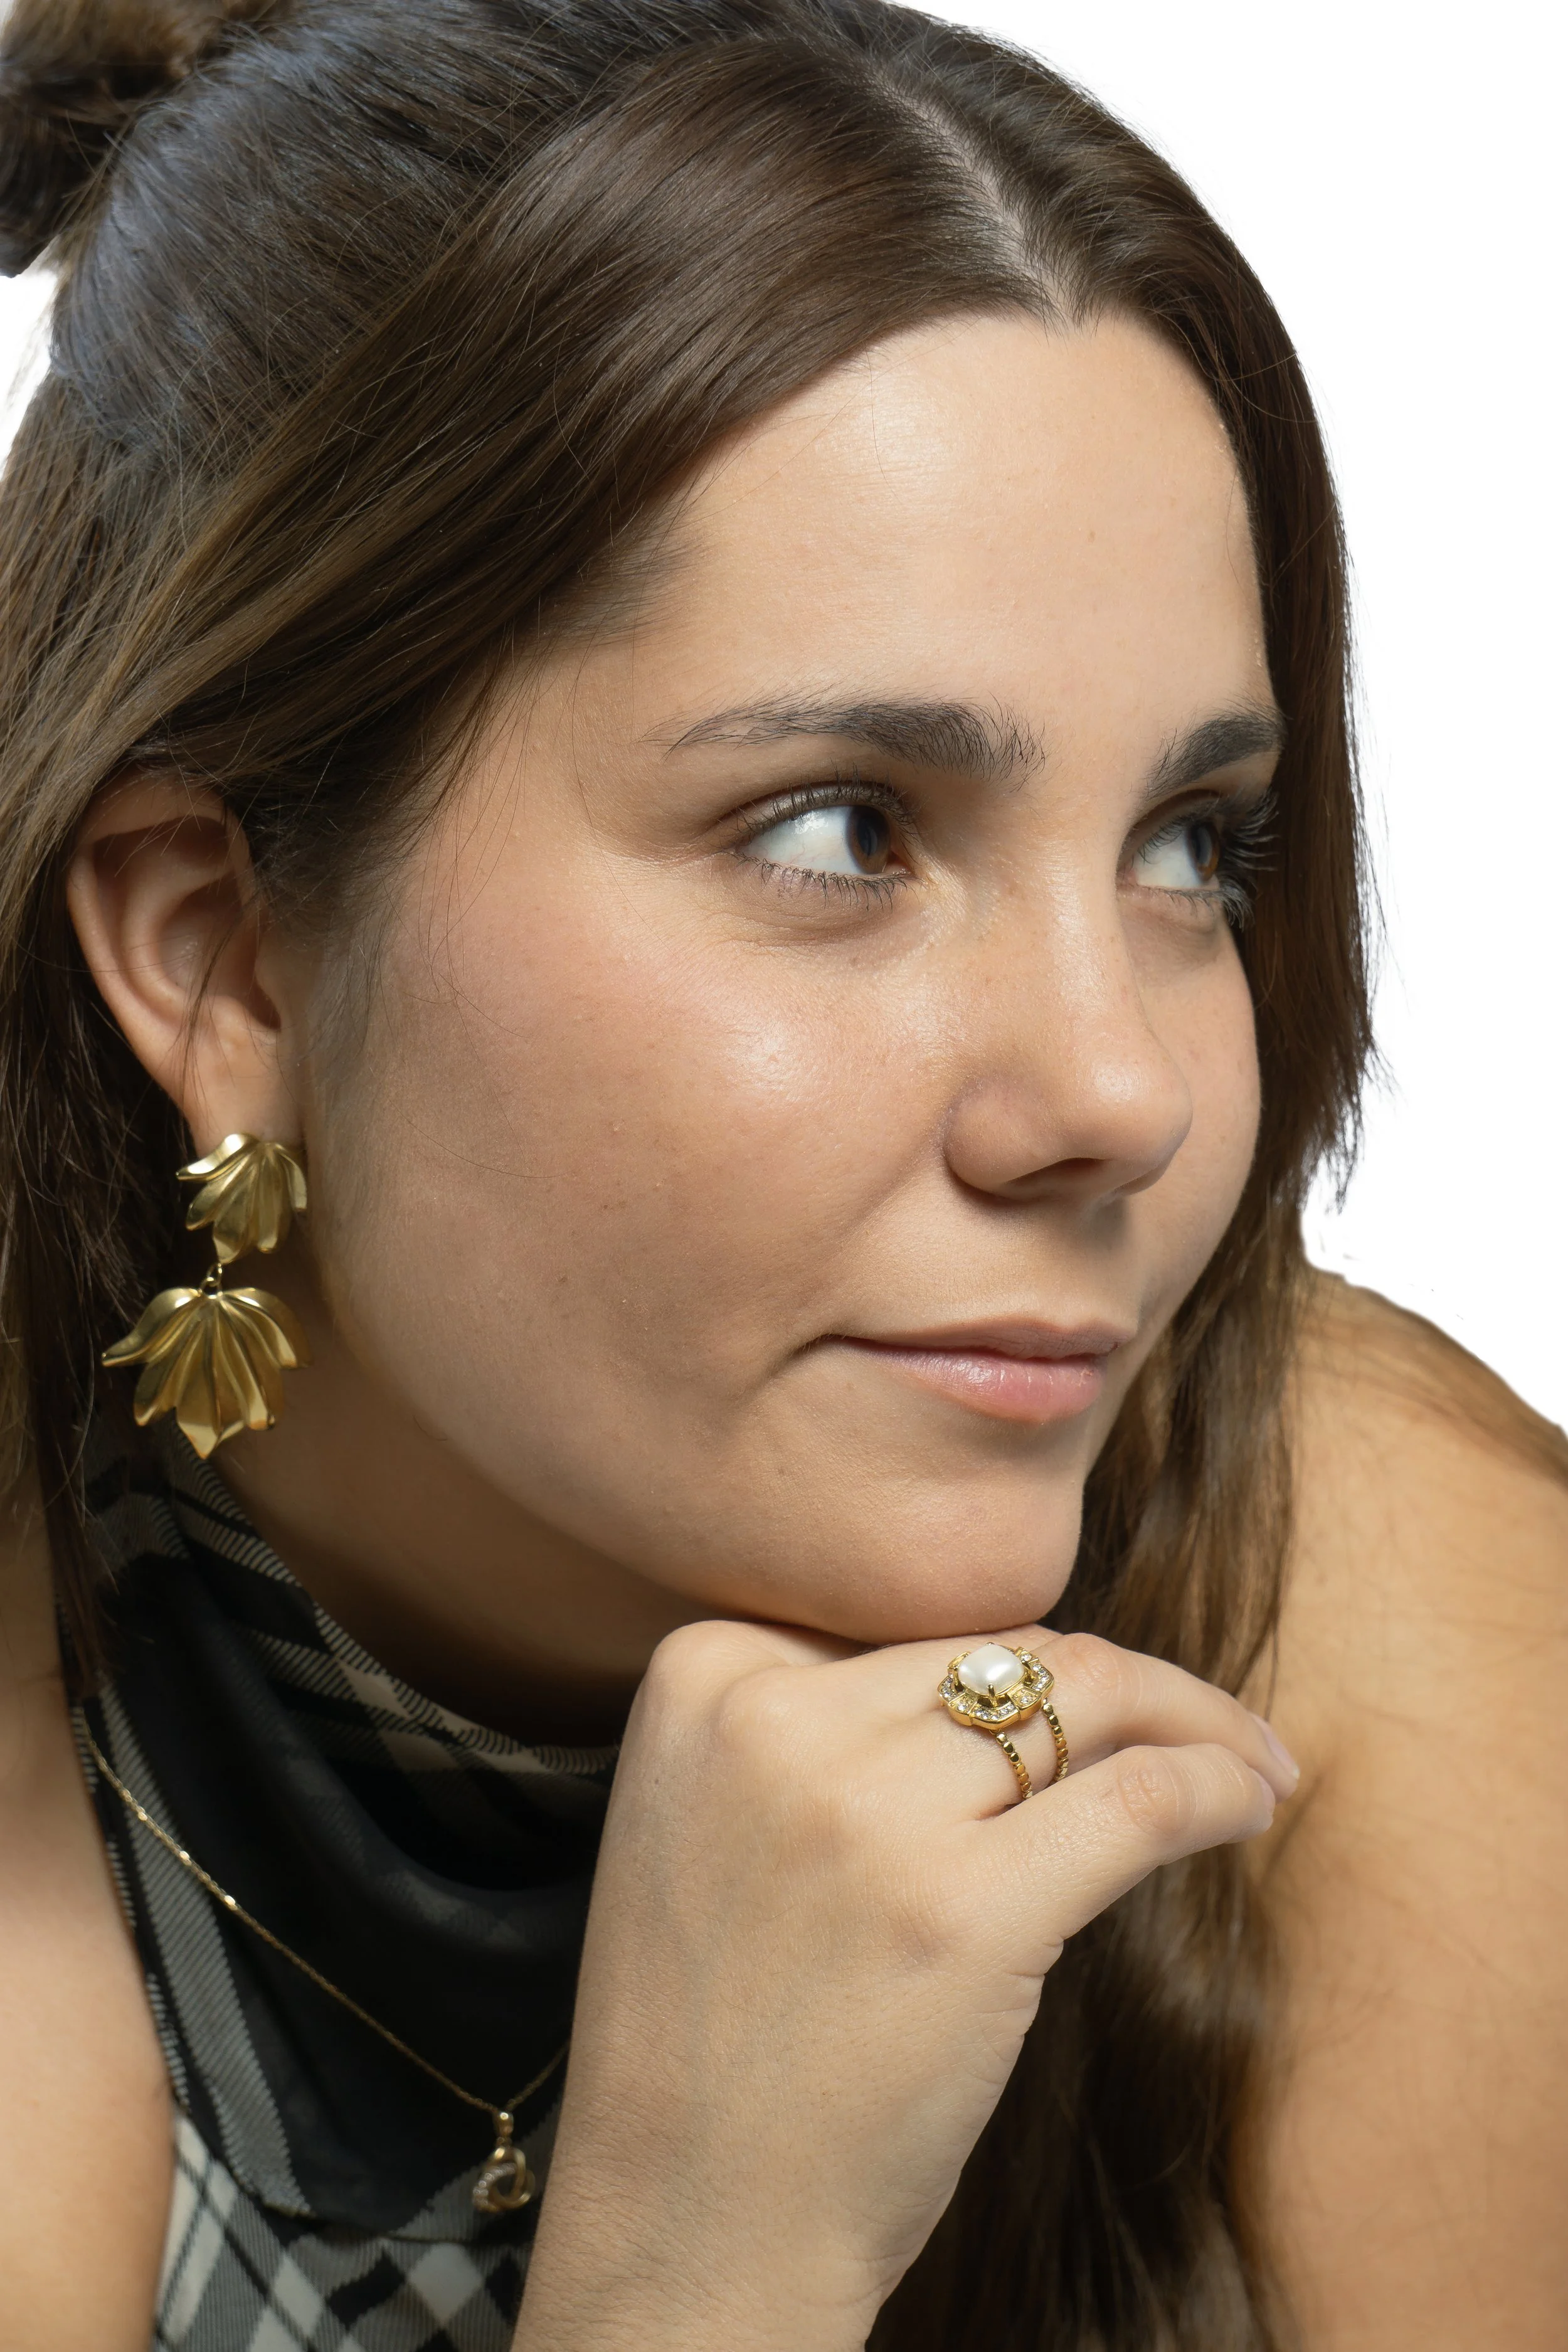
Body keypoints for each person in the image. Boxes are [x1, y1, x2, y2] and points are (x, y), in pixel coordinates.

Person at [0, 0, 1563, 2346]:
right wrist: (703, 2269)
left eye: (1188, 845)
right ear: (223, 953)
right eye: (842, 831)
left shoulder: (1375, 1601)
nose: (1118, 1091)